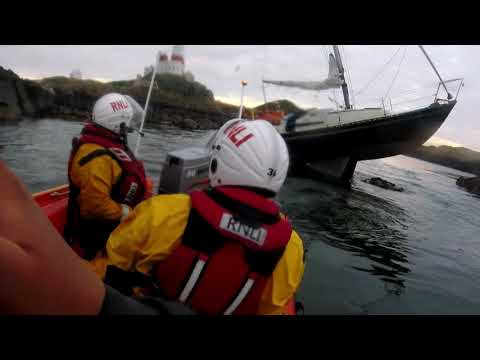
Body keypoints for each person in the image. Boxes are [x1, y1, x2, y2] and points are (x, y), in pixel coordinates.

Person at [98, 119, 305, 315]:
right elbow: (273, 307)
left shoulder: (165, 212)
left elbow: (114, 261)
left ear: (217, 163)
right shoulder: (290, 247)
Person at [66, 93, 149, 260]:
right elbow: (94, 205)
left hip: (114, 228)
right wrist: (123, 212)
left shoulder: (106, 144)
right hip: (95, 238)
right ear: (119, 123)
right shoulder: (97, 158)